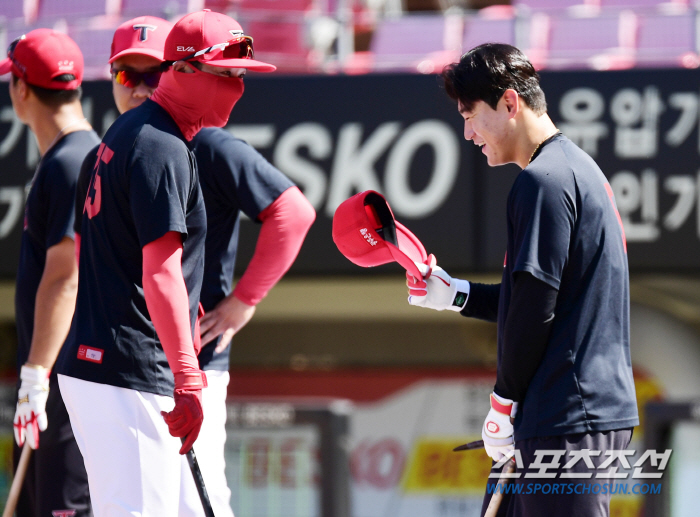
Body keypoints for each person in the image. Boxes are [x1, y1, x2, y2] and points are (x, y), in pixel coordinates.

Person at [73, 13, 315, 516]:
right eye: (226, 74)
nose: (238, 87)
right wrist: (187, 377)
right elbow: (159, 272)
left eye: (242, 75)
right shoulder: (159, 143)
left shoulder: (137, 133)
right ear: (182, 70)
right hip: (131, 367)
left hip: (119, 364)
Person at [406, 43, 639, 516]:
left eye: (471, 116)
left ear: (510, 103)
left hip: (566, 415)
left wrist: (502, 401)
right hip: (572, 411)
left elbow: (537, 304)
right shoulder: (574, 170)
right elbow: (541, 293)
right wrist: (456, 296)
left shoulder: (543, 181)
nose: (468, 134)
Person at [0, 29, 98, 517]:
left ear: (21, 88)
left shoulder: (69, 161)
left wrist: (36, 378)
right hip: (70, 383)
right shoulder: (77, 155)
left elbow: (66, 274)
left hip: (66, 385)